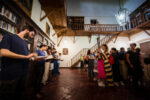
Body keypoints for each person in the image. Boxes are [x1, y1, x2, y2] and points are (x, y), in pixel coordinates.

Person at [0, 25, 37, 100]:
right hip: (11, 75)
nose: (31, 37)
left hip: (24, 74)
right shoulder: (9, 37)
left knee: (20, 95)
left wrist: (32, 58)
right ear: (27, 30)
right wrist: (26, 57)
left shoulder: (25, 44)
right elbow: (4, 52)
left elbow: (25, 57)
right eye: (32, 34)